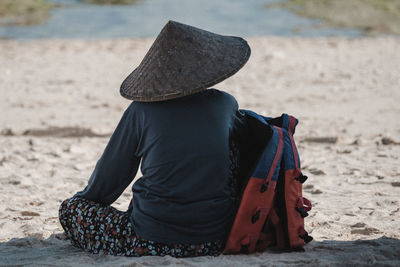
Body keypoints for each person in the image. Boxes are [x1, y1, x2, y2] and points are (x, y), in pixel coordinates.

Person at [58, 20, 250, 257]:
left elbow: (111, 176)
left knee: (70, 209)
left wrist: (86, 201)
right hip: (216, 237)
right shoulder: (226, 104)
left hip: (152, 238)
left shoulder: (142, 110)